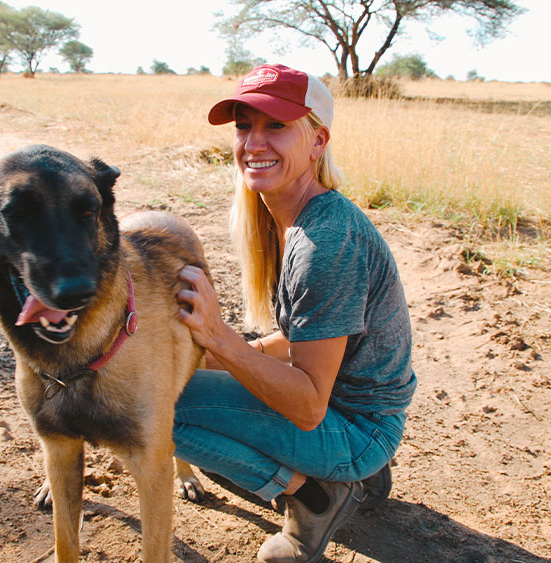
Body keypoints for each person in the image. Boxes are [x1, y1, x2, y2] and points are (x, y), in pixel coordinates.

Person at [174, 63, 416, 563]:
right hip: (356, 413)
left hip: (357, 427)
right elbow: (314, 335)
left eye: (276, 126)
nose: (254, 142)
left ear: (318, 140)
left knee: (157, 410)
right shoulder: (302, 217)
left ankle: (317, 495)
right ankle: (352, 475)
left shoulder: (323, 243)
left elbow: (307, 405)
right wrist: (234, 353)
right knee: (206, 390)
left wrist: (220, 338)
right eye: (244, 125)